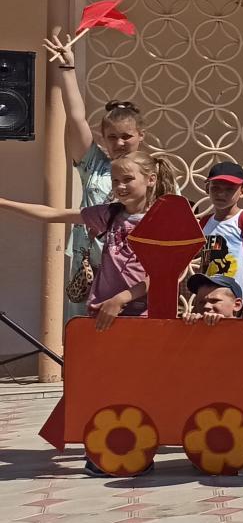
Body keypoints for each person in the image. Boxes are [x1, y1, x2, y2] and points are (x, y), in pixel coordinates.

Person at [45, 29, 151, 320]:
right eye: (112, 136)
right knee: (84, 343)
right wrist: (67, 67)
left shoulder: (153, 173)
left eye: (126, 136)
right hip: (89, 265)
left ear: (141, 135)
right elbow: (75, 117)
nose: (119, 143)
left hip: (133, 276)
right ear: (103, 137)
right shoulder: (94, 163)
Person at [0, 151, 161, 328]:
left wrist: (122, 299)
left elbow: (166, 275)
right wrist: (5, 203)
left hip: (142, 316)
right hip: (102, 313)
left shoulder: (161, 220)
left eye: (128, 179)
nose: (120, 186)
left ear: (150, 179)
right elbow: (53, 214)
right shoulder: (108, 214)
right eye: (115, 180)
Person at [196, 161, 243, 306]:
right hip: (211, 301)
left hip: (240, 301)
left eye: (230, 189)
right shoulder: (204, 223)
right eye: (215, 188)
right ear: (207, 188)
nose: (221, 193)